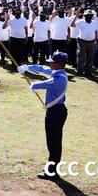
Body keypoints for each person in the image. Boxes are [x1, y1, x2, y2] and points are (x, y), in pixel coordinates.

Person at [17, 51, 69, 180]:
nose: (50, 65)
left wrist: (35, 85)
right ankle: (52, 169)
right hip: (55, 111)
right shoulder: (58, 72)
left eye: (53, 63)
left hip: (56, 112)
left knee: (54, 143)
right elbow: (42, 69)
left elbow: (48, 83)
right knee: (53, 142)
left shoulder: (59, 78)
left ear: (59, 64)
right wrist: (27, 67)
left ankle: (52, 172)